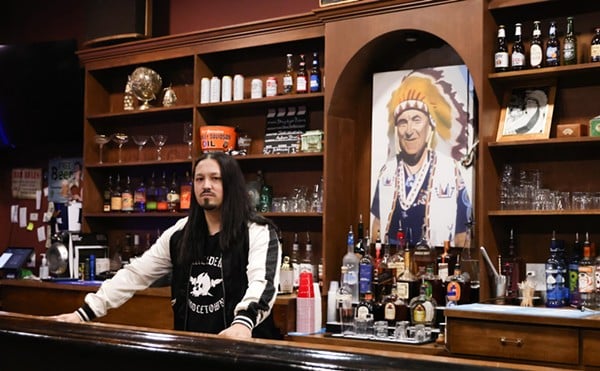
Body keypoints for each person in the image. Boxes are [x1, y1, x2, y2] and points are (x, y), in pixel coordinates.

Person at [52, 152, 283, 339]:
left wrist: (243, 323)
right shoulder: (179, 234)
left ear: (231, 184)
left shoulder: (257, 231)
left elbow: (262, 283)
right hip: (190, 348)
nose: (206, 185)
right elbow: (135, 274)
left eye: (215, 178)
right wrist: (84, 314)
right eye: (200, 179)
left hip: (244, 349)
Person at [370, 68, 472, 248]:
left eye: (416, 119)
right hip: (393, 265)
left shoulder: (450, 170)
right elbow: (377, 224)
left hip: (435, 267)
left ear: (430, 128)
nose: (409, 131)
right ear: (397, 132)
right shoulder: (388, 171)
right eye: (403, 122)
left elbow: (462, 233)